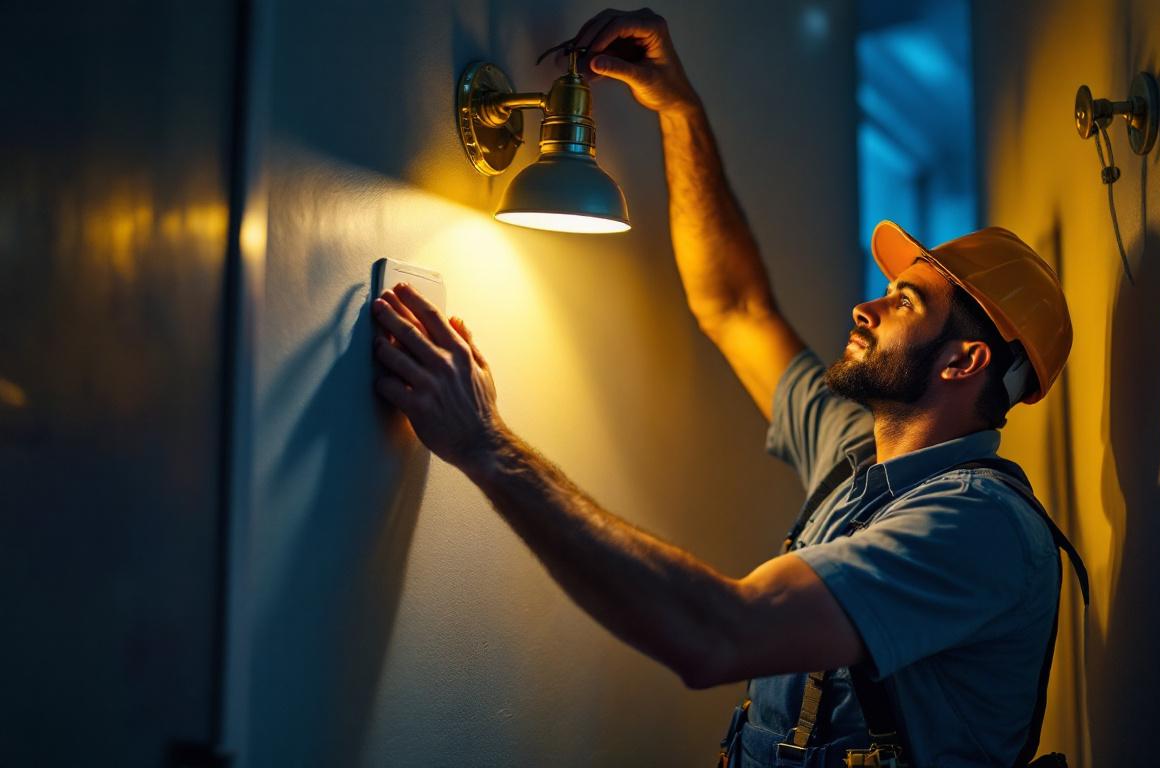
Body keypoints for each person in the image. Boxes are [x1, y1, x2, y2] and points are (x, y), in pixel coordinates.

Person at [370, 9, 1081, 767]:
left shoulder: (978, 529)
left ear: (964, 363)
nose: (864, 308)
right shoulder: (853, 451)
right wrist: (679, 111)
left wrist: (488, 447)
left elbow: (721, 635)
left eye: (905, 302)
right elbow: (735, 307)